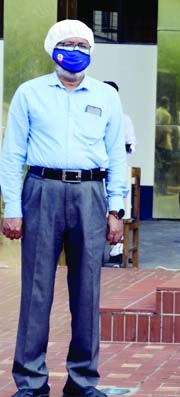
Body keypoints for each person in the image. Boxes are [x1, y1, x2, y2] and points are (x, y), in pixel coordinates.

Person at [0, 19, 127, 397]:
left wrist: (116, 209)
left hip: (91, 193)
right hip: (42, 189)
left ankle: (83, 380)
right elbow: (12, 154)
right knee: (37, 289)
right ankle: (31, 381)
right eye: (68, 43)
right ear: (52, 47)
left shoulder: (106, 96)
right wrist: (12, 206)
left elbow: (116, 154)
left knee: (87, 290)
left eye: (83, 44)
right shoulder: (30, 93)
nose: (76, 50)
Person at [102, 80, 137, 267]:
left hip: (117, 168)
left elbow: (132, 144)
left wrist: (118, 146)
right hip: (96, 171)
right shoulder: (94, 114)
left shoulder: (124, 119)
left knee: (120, 207)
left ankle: (117, 251)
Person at [155, 95, 173, 194]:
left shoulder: (156, 112)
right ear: (166, 104)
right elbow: (164, 130)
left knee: (160, 167)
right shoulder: (166, 115)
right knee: (165, 168)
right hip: (165, 144)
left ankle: (159, 188)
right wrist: (160, 141)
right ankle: (163, 189)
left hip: (158, 143)